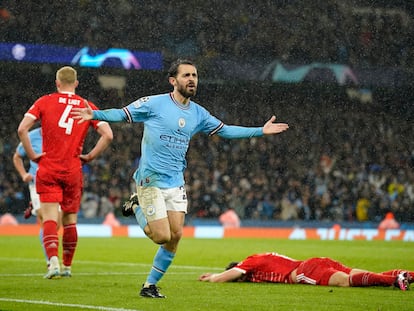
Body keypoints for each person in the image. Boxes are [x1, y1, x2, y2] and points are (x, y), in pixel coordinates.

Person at [71, 58, 289, 298]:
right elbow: (123, 114)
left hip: (175, 182)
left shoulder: (198, 113)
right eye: (186, 75)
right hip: (150, 179)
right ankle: (135, 206)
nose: (192, 79)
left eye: (194, 75)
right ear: (173, 81)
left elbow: (225, 130)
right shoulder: (154, 103)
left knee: (174, 238)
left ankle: (149, 286)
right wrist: (95, 113)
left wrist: (260, 130)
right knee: (161, 235)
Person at [17, 66, 113, 279]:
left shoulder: (44, 101)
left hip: (48, 167)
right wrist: (90, 156)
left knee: (50, 218)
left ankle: (53, 264)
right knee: (70, 220)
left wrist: (33, 155)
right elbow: (108, 135)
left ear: (57, 83)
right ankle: (68, 266)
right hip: (72, 169)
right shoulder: (86, 105)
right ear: (76, 84)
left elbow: (22, 129)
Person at [198, 252, 412, 291]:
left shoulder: (250, 261)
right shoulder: (264, 258)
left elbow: (231, 275)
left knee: (346, 282)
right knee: (363, 274)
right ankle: (406, 275)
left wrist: (214, 278)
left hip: (303, 270)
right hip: (315, 261)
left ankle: (395, 280)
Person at [13, 127, 57, 267]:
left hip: (57, 183)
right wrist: (24, 174)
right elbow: (17, 156)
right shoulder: (31, 137)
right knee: (46, 220)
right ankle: (51, 261)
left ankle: (51, 257)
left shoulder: (60, 134)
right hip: (37, 184)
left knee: (56, 224)